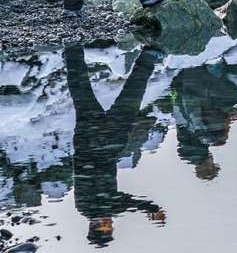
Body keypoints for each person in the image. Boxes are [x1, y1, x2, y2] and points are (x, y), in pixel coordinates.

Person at [65, 46, 166, 245]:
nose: (107, 223)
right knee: (84, 92)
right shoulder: (103, 208)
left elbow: (121, 203)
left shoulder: (90, 208)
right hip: (99, 142)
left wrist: (148, 208)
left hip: (98, 143)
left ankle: (146, 58)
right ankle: (72, 50)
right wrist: (149, 209)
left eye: (103, 227)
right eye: (109, 227)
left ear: (93, 226)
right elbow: (128, 204)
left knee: (125, 98)